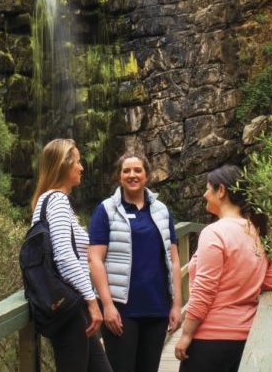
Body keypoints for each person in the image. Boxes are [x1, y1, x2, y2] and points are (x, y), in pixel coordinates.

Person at [174, 165, 272, 372]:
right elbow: (271, 282)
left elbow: (204, 291)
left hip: (210, 341)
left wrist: (186, 335)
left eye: (207, 189)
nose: (204, 194)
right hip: (244, 338)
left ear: (221, 191)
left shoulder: (214, 233)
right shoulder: (258, 231)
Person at [88, 153, 184, 372]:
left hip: (157, 307)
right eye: (126, 171)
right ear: (119, 177)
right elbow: (95, 259)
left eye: (137, 170)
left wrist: (177, 304)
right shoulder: (106, 211)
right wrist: (107, 305)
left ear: (147, 176)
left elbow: (174, 259)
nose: (132, 175)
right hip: (121, 310)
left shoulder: (161, 211)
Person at [31, 138, 113, 372]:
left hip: (72, 305)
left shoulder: (50, 201)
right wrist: (92, 301)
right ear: (64, 165)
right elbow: (65, 256)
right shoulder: (55, 200)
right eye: (77, 162)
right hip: (71, 308)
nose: (82, 167)